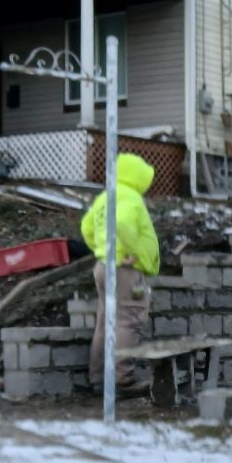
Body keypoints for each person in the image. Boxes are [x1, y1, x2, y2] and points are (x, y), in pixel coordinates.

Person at [80, 153, 160, 394]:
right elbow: (123, 223)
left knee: (105, 322)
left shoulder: (105, 197)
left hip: (104, 266)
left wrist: (102, 250)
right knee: (129, 321)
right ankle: (122, 380)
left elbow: (86, 227)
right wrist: (132, 252)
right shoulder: (131, 197)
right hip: (125, 269)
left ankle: (97, 378)